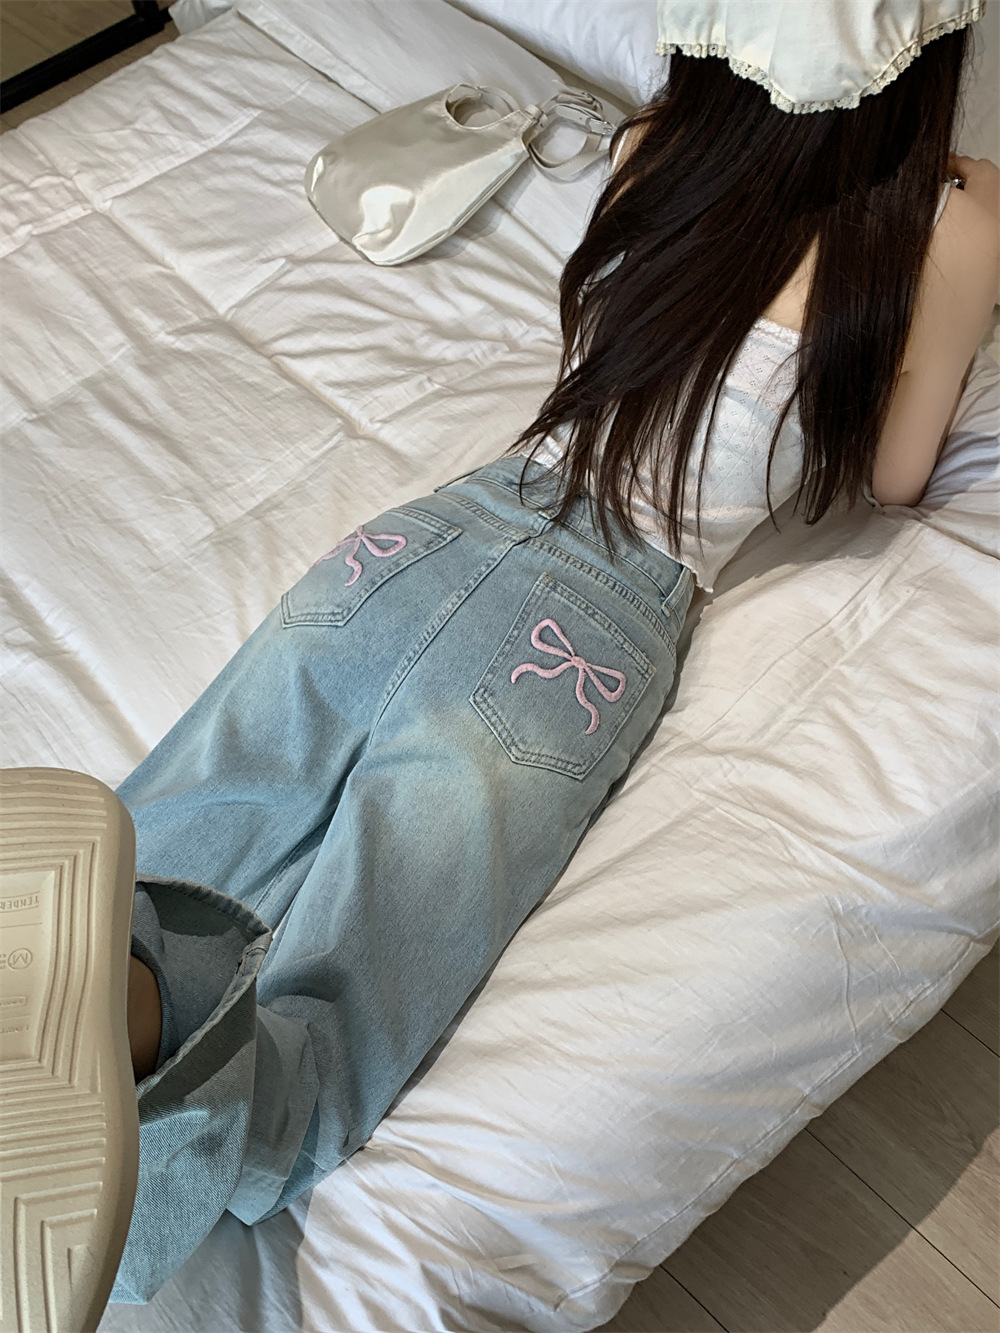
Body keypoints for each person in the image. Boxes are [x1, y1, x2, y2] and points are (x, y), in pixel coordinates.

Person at [1, 1, 997, 1327]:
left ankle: (96, 986)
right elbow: (894, 475)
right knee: (351, 992)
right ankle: (137, 1065)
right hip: (588, 631)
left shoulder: (656, 145)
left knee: (179, 836)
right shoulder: (955, 219)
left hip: (424, 541)